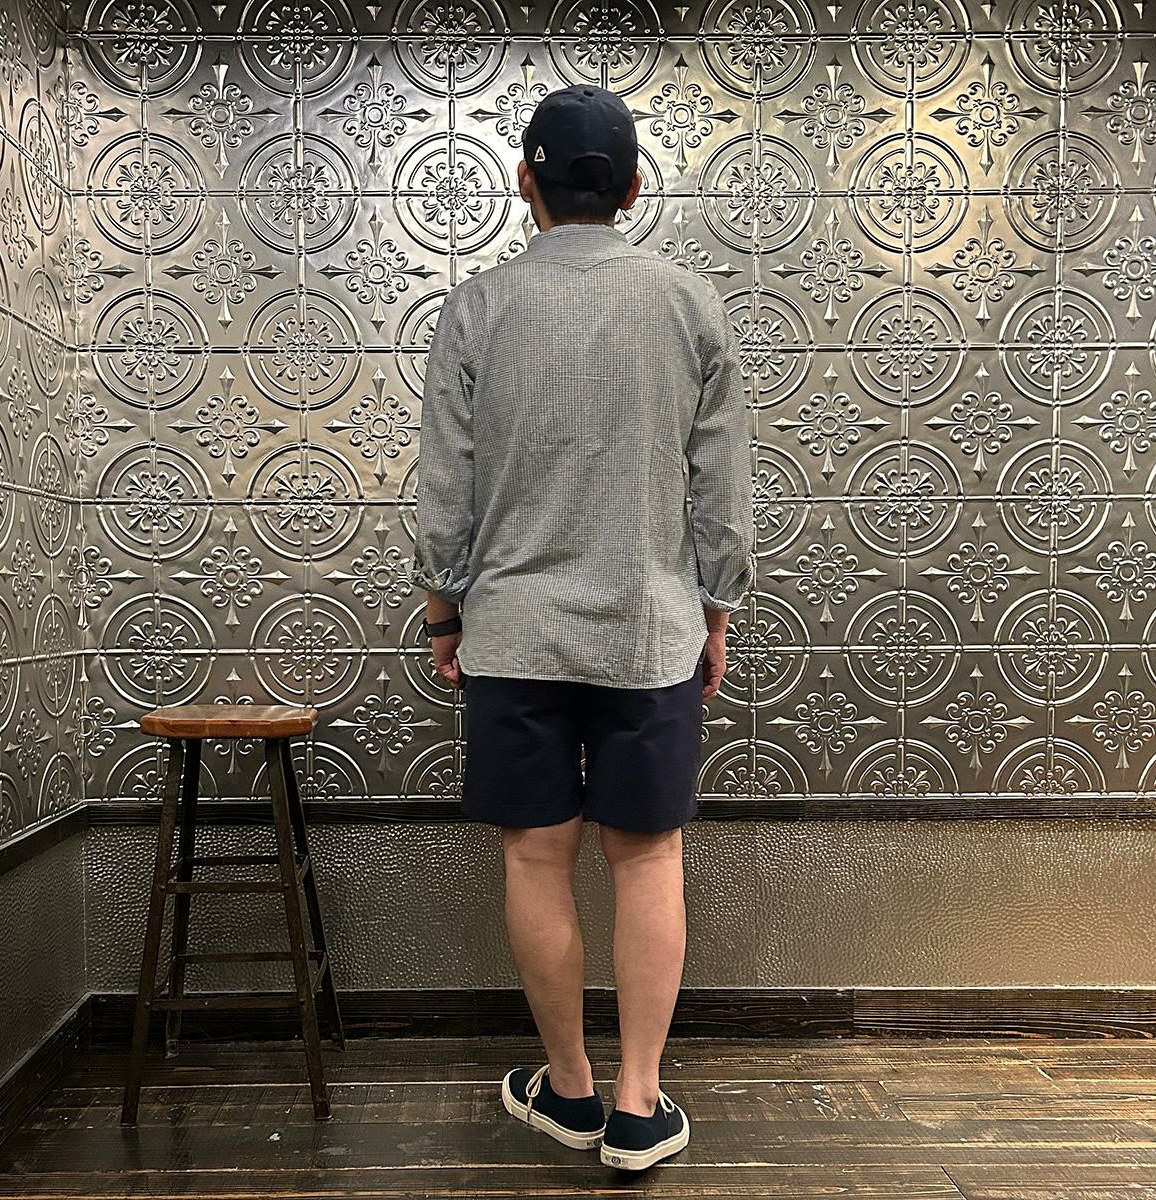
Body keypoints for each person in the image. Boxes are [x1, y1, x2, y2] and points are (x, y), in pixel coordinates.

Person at [410, 83, 754, 1171]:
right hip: (650, 628)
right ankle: (640, 1108)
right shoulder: (690, 304)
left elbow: (445, 485)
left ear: (526, 181)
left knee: (536, 855)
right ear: (634, 187)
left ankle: (568, 1090)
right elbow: (722, 488)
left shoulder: (477, 308)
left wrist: (444, 610)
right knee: (648, 859)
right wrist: (715, 610)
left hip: (513, 632)